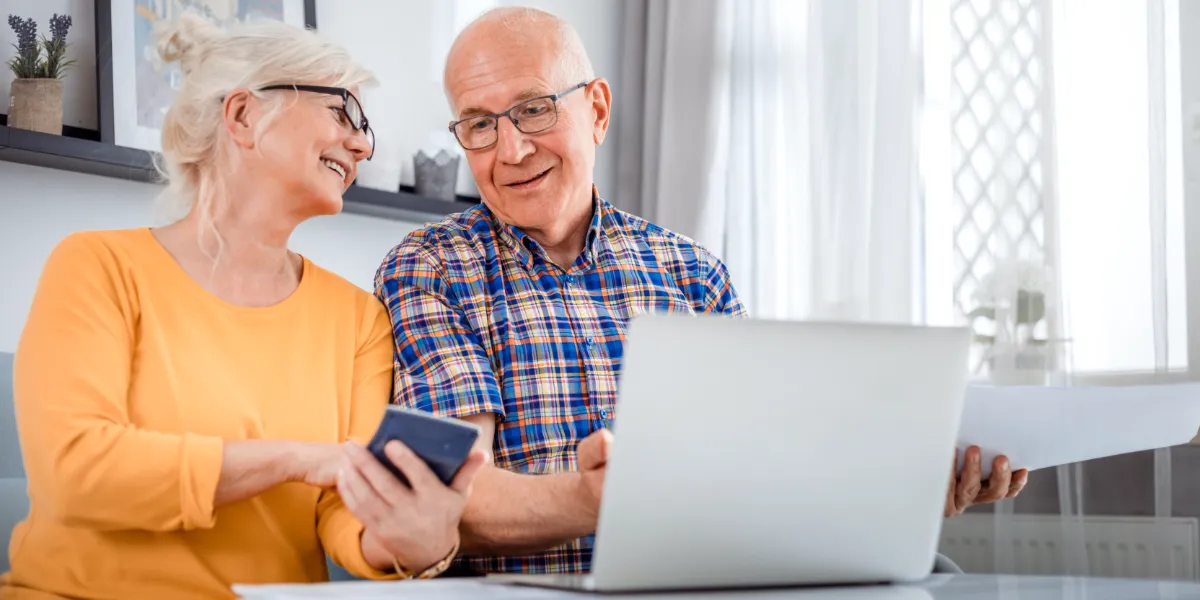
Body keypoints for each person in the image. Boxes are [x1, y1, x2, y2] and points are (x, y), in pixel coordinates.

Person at [373, 6, 1028, 576]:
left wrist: (899, 490)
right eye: (479, 124)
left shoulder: (692, 271)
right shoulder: (428, 268)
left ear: (596, 109)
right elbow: (452, 497)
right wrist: (616, 496)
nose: (510, 149)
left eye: (534, 109)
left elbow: (763, 472)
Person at [1, 14, 484, 600]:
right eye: (341, 112)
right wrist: (294, 459)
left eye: (366, 129)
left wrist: (416, 539)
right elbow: (75, 473)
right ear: (243, 115)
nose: (360, 144)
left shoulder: (359, 319)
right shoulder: (98, 267)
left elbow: (344, 515)